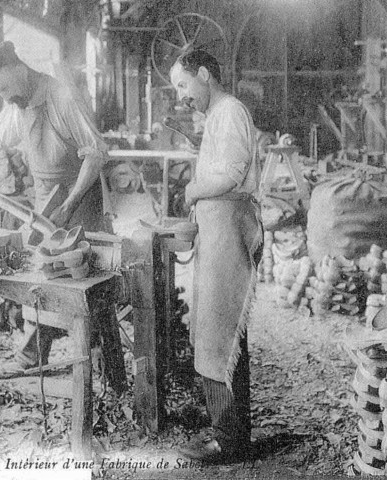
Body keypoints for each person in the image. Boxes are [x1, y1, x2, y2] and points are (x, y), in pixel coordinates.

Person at [0, 41, 108, 376]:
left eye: (4, 87)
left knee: (85, 277)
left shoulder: (61, 96)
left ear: (18, 68)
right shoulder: (18, 104)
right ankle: (35, 356)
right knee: (44, 273)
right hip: (46, 197)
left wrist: (70, 204)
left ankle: (101, 361)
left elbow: (97, 153)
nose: (6, 97)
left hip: (80, 194)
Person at [169, 50, 263, 463]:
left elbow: (230, 174)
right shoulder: (220, 115)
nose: (181, 96)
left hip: (228, 227)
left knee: (219, 331)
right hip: (219, 227)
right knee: (215, 331)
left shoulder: (229, 111)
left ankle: (230, 441)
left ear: (205, 74)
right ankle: (230, 431)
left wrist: (191, 190)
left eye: (183, 85)